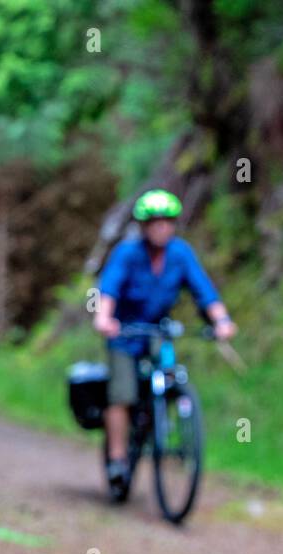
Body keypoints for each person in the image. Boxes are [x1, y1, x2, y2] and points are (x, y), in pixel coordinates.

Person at [92, 189, 236, 495]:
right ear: (143, 226)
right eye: (154, 222)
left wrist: (221, 321)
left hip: (158, 332)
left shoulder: (180, 254)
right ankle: (117, 458)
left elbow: (204, 291)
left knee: (170, 374)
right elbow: (110, 288)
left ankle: (165, 419)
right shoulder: (127, 253)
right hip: (125, 334)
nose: (161, 228)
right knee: (122, 394)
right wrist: (104, 317)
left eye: (166, 222)